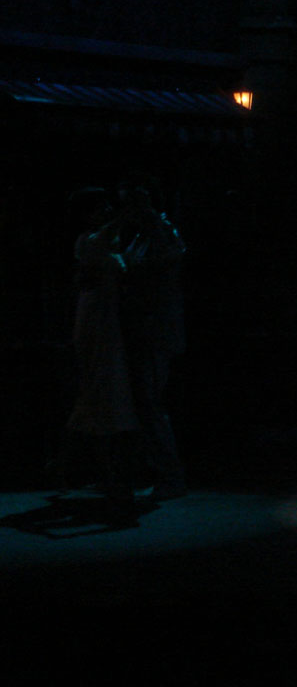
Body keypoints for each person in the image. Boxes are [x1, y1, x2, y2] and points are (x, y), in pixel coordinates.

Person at [61, 188, 139, 522]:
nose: (107, 212)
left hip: (105, 321)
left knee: (104, 395)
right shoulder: (88, 241)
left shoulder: (102, 242)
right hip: (96, 322)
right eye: (100, 208)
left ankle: (101, 473)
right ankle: (106, 476)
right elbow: (108, 234)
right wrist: (130, 209)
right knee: (100, 393)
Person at [118, 185, 188, 501]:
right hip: (145, 329)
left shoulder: (160, 232)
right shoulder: (143, 236)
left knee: (150, 403)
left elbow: (168, 259)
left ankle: (169, 474)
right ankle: (157, 470)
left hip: (154, 331)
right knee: (146, 404)